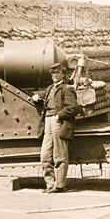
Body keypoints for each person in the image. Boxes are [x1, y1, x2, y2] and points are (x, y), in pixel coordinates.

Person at [32, 63, 78, 193]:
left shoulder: (67, 88)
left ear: (63, 74)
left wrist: (59, 115)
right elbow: (43, 94)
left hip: (59, 122)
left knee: (60, 156)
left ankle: (59, 185)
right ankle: (50, 184)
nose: (54, 76)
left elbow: (73, 107)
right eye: (52, 73)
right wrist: (38, 96)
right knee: (45, 156)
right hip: (48, 122)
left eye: (57, 73)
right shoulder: (50, 88)